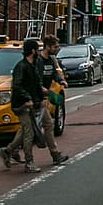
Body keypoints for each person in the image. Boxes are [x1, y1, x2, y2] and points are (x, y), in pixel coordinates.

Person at [0, 39, 44, 173]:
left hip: (28, 103)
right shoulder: (22, 66)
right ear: (32, 51)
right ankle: (29, 161)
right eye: (37, 50)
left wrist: (39, 99)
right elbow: (17, 86)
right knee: (28, 132)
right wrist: (28, 99)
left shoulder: (32, 65)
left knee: (25, 130)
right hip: (22, 105)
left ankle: (8, 150)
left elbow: (35, 85)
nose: (39, 52)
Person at [36, 35, 68, 166]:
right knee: (34, 127)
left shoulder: (50, 60)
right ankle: (55, 155)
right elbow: (35, 78)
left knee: (34, 127)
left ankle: (9, 151)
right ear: (47, 46)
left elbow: (54, 73)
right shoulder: (38, 61)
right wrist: (41, 89)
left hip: (44, 98)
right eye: (55, 47)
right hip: (37, 98)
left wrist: (61, 80)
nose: (57, 49)